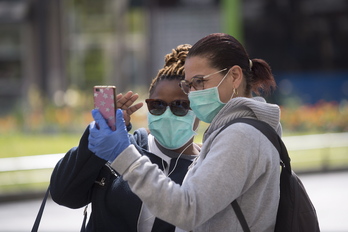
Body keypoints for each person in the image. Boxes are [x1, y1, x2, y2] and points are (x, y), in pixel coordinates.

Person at [93, 33, 282, 232]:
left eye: (199, 82)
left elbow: (187, 209)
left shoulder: (241, 135)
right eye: (189, 85)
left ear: (234, 76)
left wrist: (125, 156)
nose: (192, 94)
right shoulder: (241, 130)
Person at [50, 44, 201, 232]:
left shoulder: (207, 167)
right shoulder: (121, 147)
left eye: (180, 106)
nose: (167, 114)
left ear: (199, 109)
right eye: (158, 105)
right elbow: (63, 193)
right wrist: (102, 132)